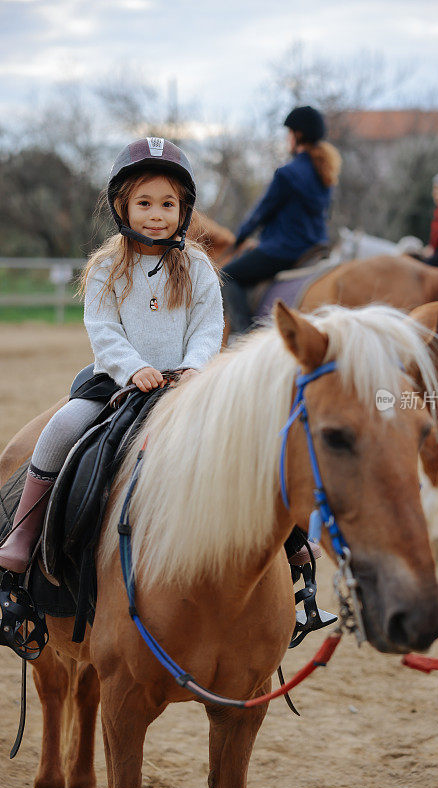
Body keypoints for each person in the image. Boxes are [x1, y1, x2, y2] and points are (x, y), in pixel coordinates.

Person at [0, 137, 224, 573]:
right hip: (116, 380)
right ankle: (24, 533)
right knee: (61, 427)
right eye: (144, 203)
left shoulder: (197, 267)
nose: (156, 215)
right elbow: (103, 330)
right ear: (123, 208)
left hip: (185, 384)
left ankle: (289, 541)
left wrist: (195, 369)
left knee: (246, 430)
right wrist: (133, 368)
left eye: (167, 204)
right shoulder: (107, 266)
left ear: (183, 210)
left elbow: (208, 327)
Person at [222, 105, 341, 332]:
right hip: (314, 247)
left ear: (297, 135)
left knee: (227, 275)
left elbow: (261, 211)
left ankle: (244, 336)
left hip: (284, 250)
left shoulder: (287, 173)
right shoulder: (324, 173)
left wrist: (240, 237)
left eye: (289, 133)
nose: (287, 139)